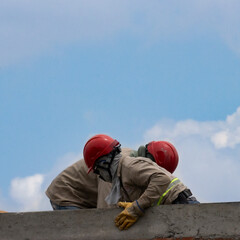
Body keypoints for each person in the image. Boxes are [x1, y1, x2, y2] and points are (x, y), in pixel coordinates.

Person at [84, 134, 199, 231]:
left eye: (97, 171)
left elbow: (162, 179)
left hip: (181, 204)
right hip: (173, 207)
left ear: (104, 163)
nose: (100, 176)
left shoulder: (128, 166)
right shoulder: (121, 177)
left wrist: (137, 207)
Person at [46, 137, 180, 210]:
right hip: (67, 195)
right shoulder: (114, 167)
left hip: (88, 197)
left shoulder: (132, 164)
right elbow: (105, 211)